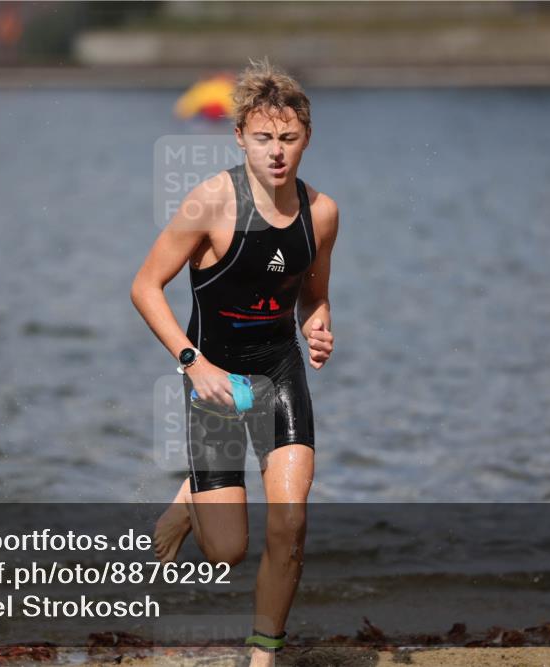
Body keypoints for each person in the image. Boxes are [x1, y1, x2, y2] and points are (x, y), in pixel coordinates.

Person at [131, 58, 338, 667]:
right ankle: (193, 497)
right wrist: (192, 362)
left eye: (290, 138)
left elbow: (314, 293)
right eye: (264, 138)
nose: (277, 152)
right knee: (225, 552)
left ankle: (263, 653)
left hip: (278, 373)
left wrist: (318, 326)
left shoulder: (321, 213)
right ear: (240, 136)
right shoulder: (210, 204)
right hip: (215, 383)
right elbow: (145, 286)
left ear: (307, 138)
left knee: (291, 521)